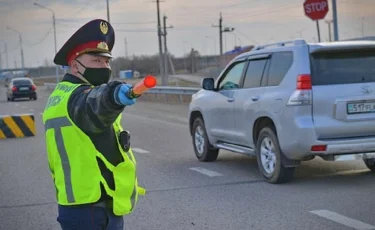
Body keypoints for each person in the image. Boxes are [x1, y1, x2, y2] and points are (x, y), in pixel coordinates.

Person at [42, 19, 145, 230]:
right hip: (92, 210)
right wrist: (114, 94)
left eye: (106, 62)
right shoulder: (77, 98)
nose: (104, 67)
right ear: (74, 64)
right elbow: (95, 103)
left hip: (81, 205)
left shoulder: (60, 95)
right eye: (96, 61)